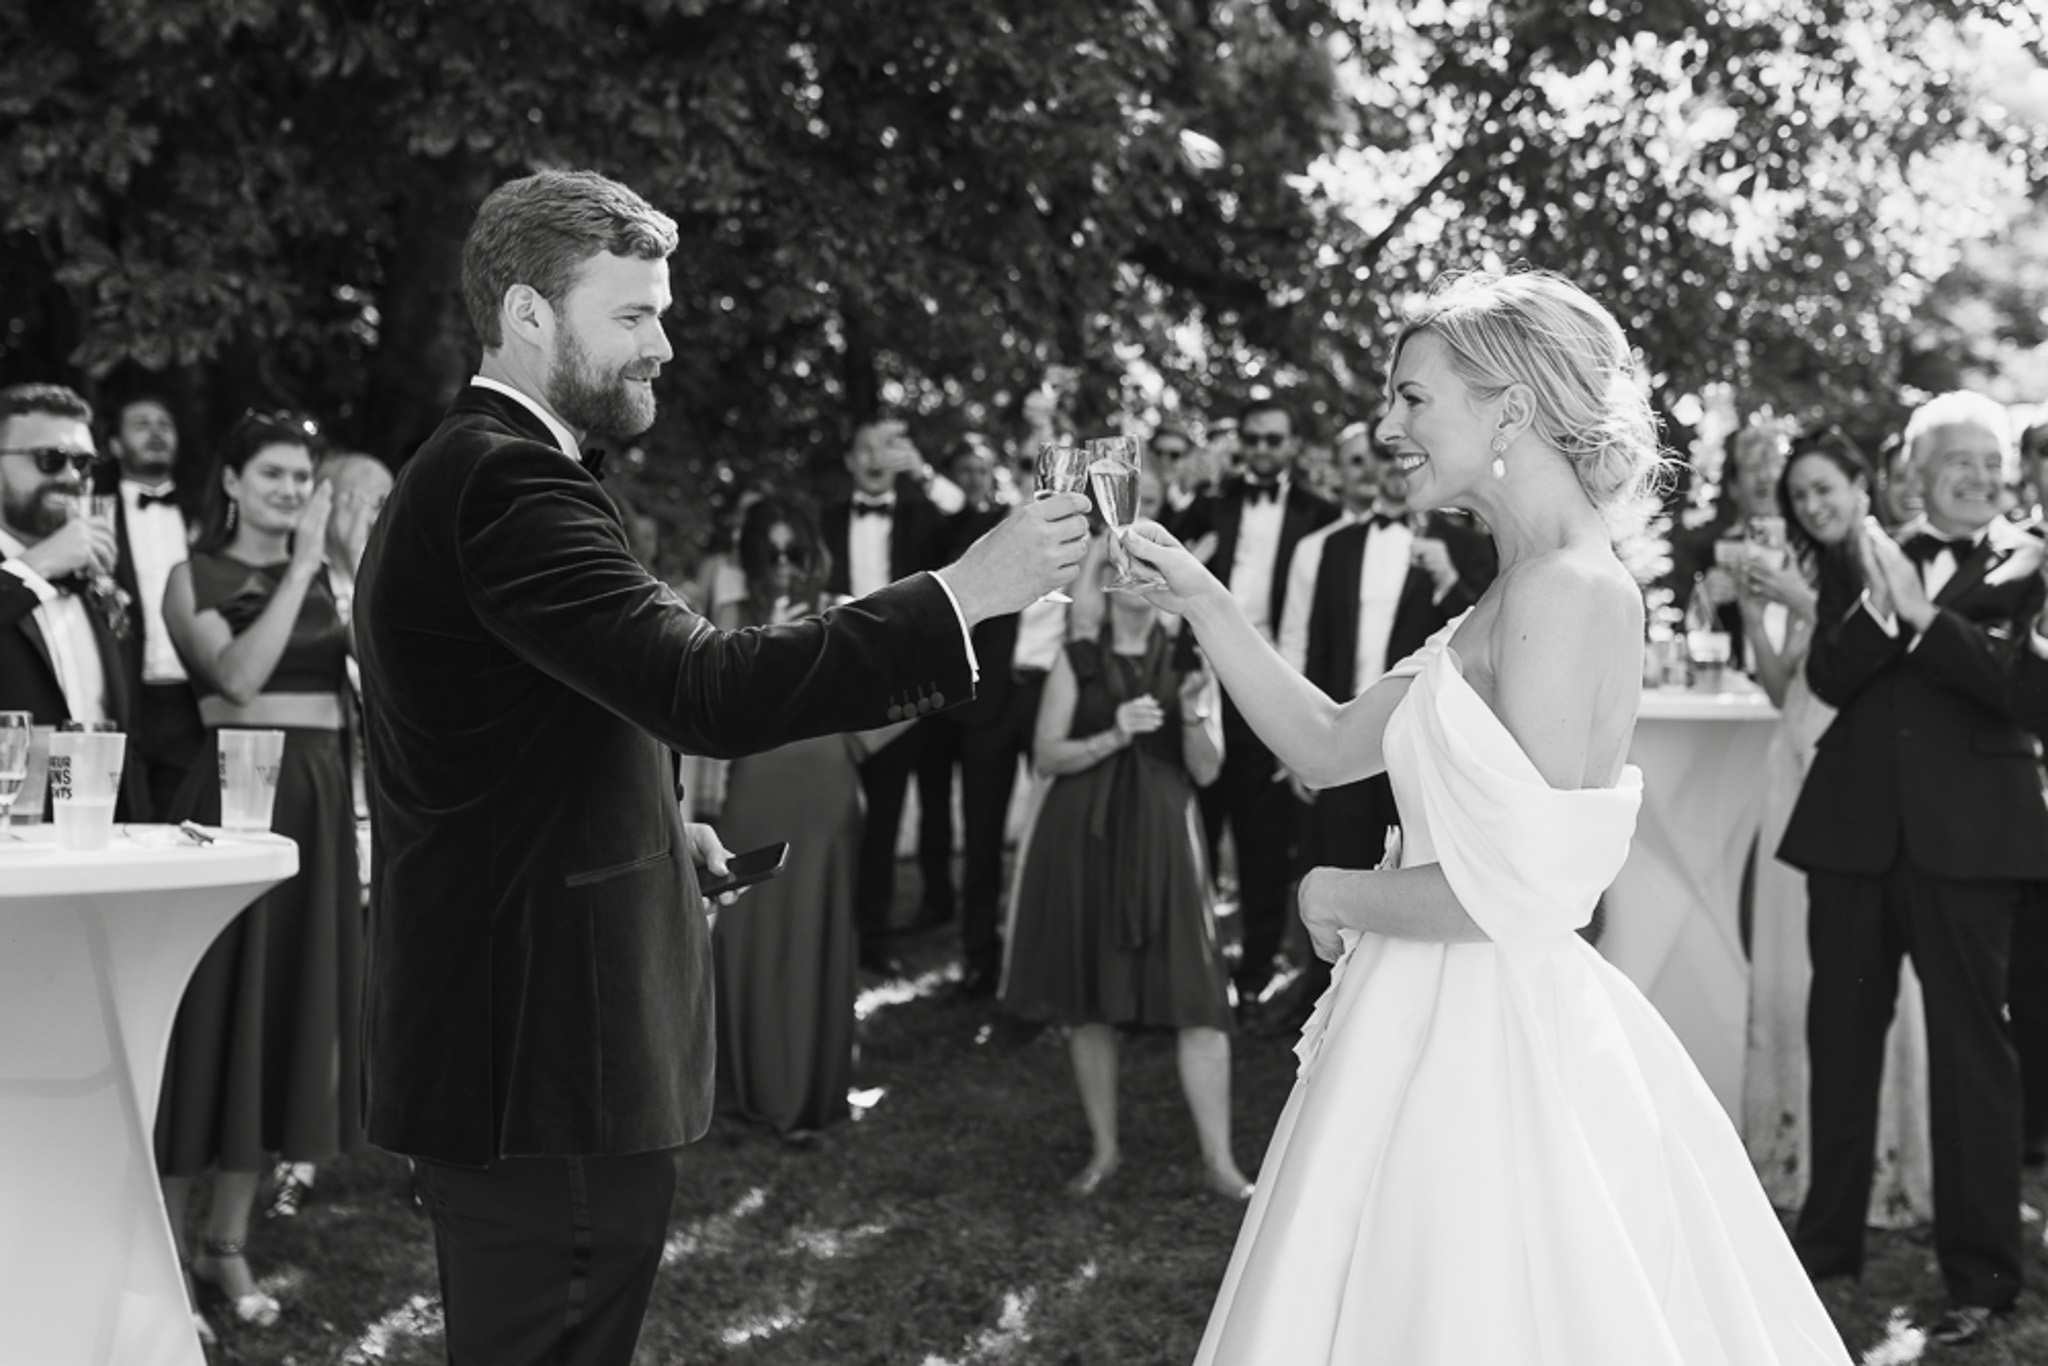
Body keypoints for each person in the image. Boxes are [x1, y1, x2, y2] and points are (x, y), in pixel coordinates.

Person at [352, 168, 1088, 1366]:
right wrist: (966, 592)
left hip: (522, 1031)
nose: (662, 345)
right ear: (529, 315)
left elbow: (533, 722)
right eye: (632, 314)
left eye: (663, 311)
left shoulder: (491, 466)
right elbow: (706, 686)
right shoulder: (505, 481)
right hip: (544, 1048)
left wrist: (655, 826)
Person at [1125, 269, 1853, 1364]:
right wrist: (1201, 597)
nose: (1384, 425)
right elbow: (1327, 745)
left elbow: (1525, 890)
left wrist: (1334, 891)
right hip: (1415, 1008)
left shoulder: (1567, 590)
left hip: (1485, 1040)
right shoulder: (1509, 591)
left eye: (1411, 398)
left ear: (1507, 406)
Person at [1778, 389, 2048, 1346]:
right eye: (1959, 461)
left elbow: (2031, 687)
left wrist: (1926, 619)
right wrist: (1885, 614)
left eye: (1992, 462)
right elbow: (1829, 676)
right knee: (1840, 1041)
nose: (1982, 476)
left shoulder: (2034, 560)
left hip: (1973, 845)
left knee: (1976, 1053)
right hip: (1851, 837)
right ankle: (1825, 1251)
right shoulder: (1869, 551)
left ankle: (1981, 1275)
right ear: (1915, 475)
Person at [154, 408, 361, 1333]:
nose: (289, 490)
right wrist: (305, 570)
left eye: (300, 475)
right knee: (209, 1020)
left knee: (282, 1016)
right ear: (231, 483)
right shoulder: (188, 575)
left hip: (319, 801)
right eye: (271, 474)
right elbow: (234, 677)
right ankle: (160, 1246)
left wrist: (344, 574)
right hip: (233, 799)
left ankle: (226, 1243)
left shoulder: (334, 577)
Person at [999, 528, 1251, 1201]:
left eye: (1145, 568)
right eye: (1121, 569)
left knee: (1198, 997)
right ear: (1105, 583)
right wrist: (1114, 731)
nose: (1134, 581)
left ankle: (1220, 1161)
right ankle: (1104, 1150)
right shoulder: (1077, 656)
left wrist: (1196, 714)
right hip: (1083, 832)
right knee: (1089, 999)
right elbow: (1048, 755)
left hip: (1165, 831)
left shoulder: (1193, 659)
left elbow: (1208, 769)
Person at [1736, 429, 1930, 1224]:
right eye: (1801, 495)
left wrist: (1802, 603)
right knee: (1791, 961)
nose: (1814, 505)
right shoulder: (1813, 568)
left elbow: (1867, 665)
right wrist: (1757, 617)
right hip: (1796, 763)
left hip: (1851, 785)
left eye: (1826, 488)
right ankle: (1795, 1152)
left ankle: (1875, 1167)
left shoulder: (1886, 561)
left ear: (1860, 486)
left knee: (1850, 983)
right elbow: (1790, 685)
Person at [1268, 423, 1495, 1029]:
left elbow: (1485, 646)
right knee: (1333, 856)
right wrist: (1302, 745)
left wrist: (1450, 579)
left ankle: (1398, 1012)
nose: (1393, 470)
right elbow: (1315, 647)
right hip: (1350, 732)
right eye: (1383, 459)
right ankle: (1326, 1004)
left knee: (1404, 876)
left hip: (1423, 751)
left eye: (1402, 458)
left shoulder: (1468, 545)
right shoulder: (1338, 547)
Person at [709, 496, 909, 1136]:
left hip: (824, 790)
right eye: (772, 554)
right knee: (743, 936)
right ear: (751, 559)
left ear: (815, 553)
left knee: (814, 934)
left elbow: (912, 692)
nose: (787, 567)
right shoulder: (727, 618)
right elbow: (706, 711)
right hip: (751, 787)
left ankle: (808, 1099)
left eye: (797, 552)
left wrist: (854, 738)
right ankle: (740, 1093)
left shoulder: (845, 611)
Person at [1167, 398, 1338, 1003]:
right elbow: (1148, 547)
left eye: (1275, 440)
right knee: (1196, 833)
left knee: (1264, 842)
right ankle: (1191, 966)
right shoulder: (1211, 505)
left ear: (1291, 445)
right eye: (1254, 440)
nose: (1263, 451)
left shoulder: (1323, 515)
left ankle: (1257, 971)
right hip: (1203, 684)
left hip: (1272, 686)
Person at [821, 418, 959, 970]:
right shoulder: (823, 519)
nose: (878, 457)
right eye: (866, 446)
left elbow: (974, 525)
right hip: (830, 682)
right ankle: (821, 930)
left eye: (888, 447)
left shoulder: (925, 514)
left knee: (884, 818)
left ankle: (872, 943)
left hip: (903, 689)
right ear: (850, 460)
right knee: (828, 816)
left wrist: (927, 474)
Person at [942, 440, 1068, 999]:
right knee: (983, 837)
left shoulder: (1083, 541)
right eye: (1029, 468)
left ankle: (1043, 964)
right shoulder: (992, 532)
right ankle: (978, 961)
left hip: (1050, 700)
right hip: (990, 701)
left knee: (1049, 839)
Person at [0, 383, 149, 818]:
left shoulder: (95, 579)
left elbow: (127, 734)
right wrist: (38, 565)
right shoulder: (47, 564)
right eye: (50, 459)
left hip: (98, 838)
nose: (70, 477)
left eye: (83, 463)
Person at [108, 392, 204, 817]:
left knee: (184, 821)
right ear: (114, 445)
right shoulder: (91, 517)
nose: (156, 433)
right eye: (141, 424)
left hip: (192, 700)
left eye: (165, 424)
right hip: (122, 697)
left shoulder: (205, 514)